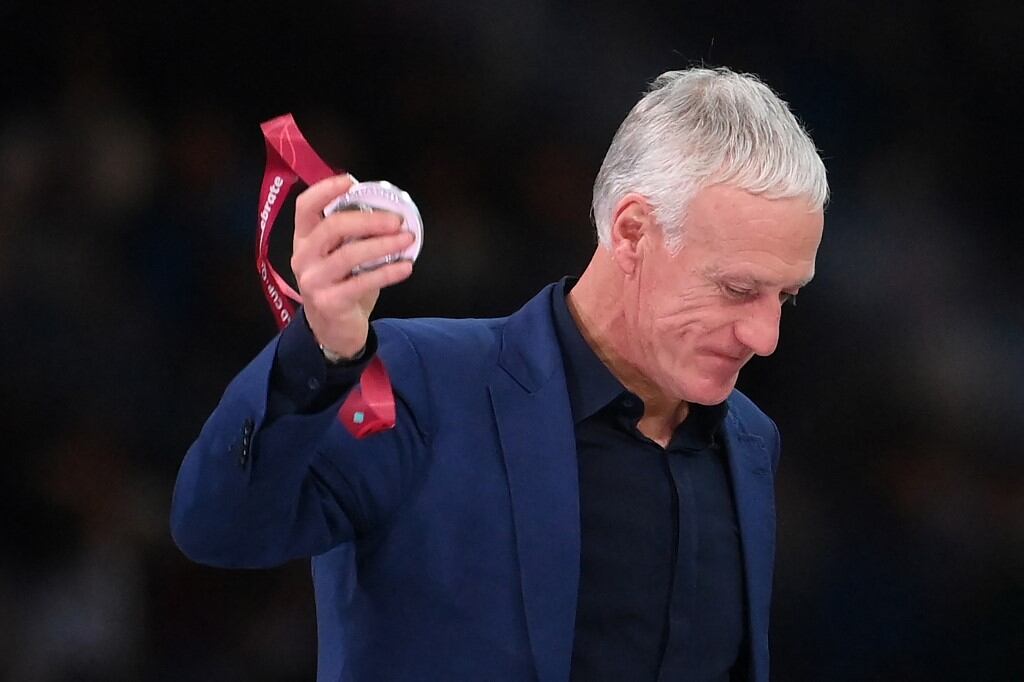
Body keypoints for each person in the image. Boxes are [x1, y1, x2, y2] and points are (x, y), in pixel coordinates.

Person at [171, 66, 827, 682]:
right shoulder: (421, 385)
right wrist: (320, 353)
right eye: (739, 289)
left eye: (786, 297)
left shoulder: (749, 440)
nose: (765, 338)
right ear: (632, 233)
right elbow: (219, 526)